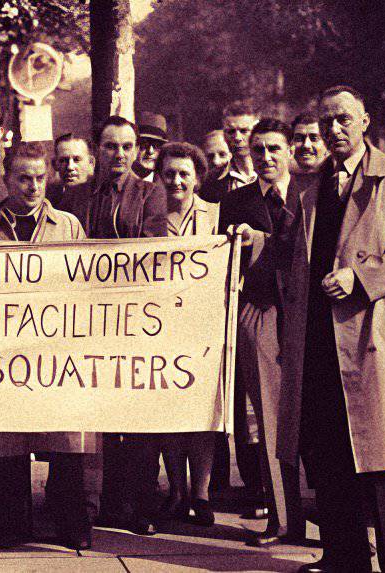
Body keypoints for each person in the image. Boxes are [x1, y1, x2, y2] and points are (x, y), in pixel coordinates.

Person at [278, 85, 385, 573]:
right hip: (319, 343)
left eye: (344, 119)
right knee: (327, 452)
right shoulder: (308, 186)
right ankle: (343, 557)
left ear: (365, 121)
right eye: (326, 121)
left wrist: (361, 277)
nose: (334, 130)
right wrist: (253, 243)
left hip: (375, 341)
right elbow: (292, 256)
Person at [0, 142, 94, 550]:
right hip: (4, 348)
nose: (33, 186)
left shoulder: (69, 226)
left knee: (65, 440)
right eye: (23, 178)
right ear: (7, 179)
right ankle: (14, 522)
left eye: (40, 178)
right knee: (9, 439)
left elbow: (82, 284)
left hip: (55, 348)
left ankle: (72, 521)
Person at [58, 116, 166, 536]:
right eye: (109, 147)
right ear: (97, 151)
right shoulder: (76, 195)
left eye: (126, 146)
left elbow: (154, 251)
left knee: (136, 416)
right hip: (84, 321)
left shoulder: (151, 194)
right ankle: (85, 507)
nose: (118, 155)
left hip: (133, 319)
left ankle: (140, 504)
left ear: (137, 150)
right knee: (88, 415)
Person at [218, 118, 302, 545]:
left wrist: (264, 239)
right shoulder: (235, 202)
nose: (266, 158)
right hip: (261, 311)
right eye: (258, 150)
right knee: (268, 418)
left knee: (324, 420)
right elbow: (221, 265)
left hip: (309, 315)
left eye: (274, 148)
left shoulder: (310, 193)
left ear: (287, 150)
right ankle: (283, 519)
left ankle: (340, 521)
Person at [154, 142, 221, 528]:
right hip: (161, 327)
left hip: (203, 325)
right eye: (169, 173)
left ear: (197, 178)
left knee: (201, 412)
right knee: (169, 412)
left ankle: (202, 494)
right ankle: (177, 491)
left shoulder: (214, 217)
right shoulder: (150, 218)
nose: (176, 180)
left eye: (184, 174)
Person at [201, 102, 259, 203]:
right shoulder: (211, 183)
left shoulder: (272, 172)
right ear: (224, 134)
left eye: (244, 131)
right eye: (231, 131)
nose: (237, 138)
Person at [47, 133, 94, 207]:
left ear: (91, 162)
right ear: (55, 164)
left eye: (76, 160)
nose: (70, 167)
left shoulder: (101, 202)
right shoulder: (48, 201)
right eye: (63, 160)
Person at [132, 111, 169, 181]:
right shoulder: (121, 181)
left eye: (157, 146)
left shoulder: (166, 185)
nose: (150, 151)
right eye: (144, 144)